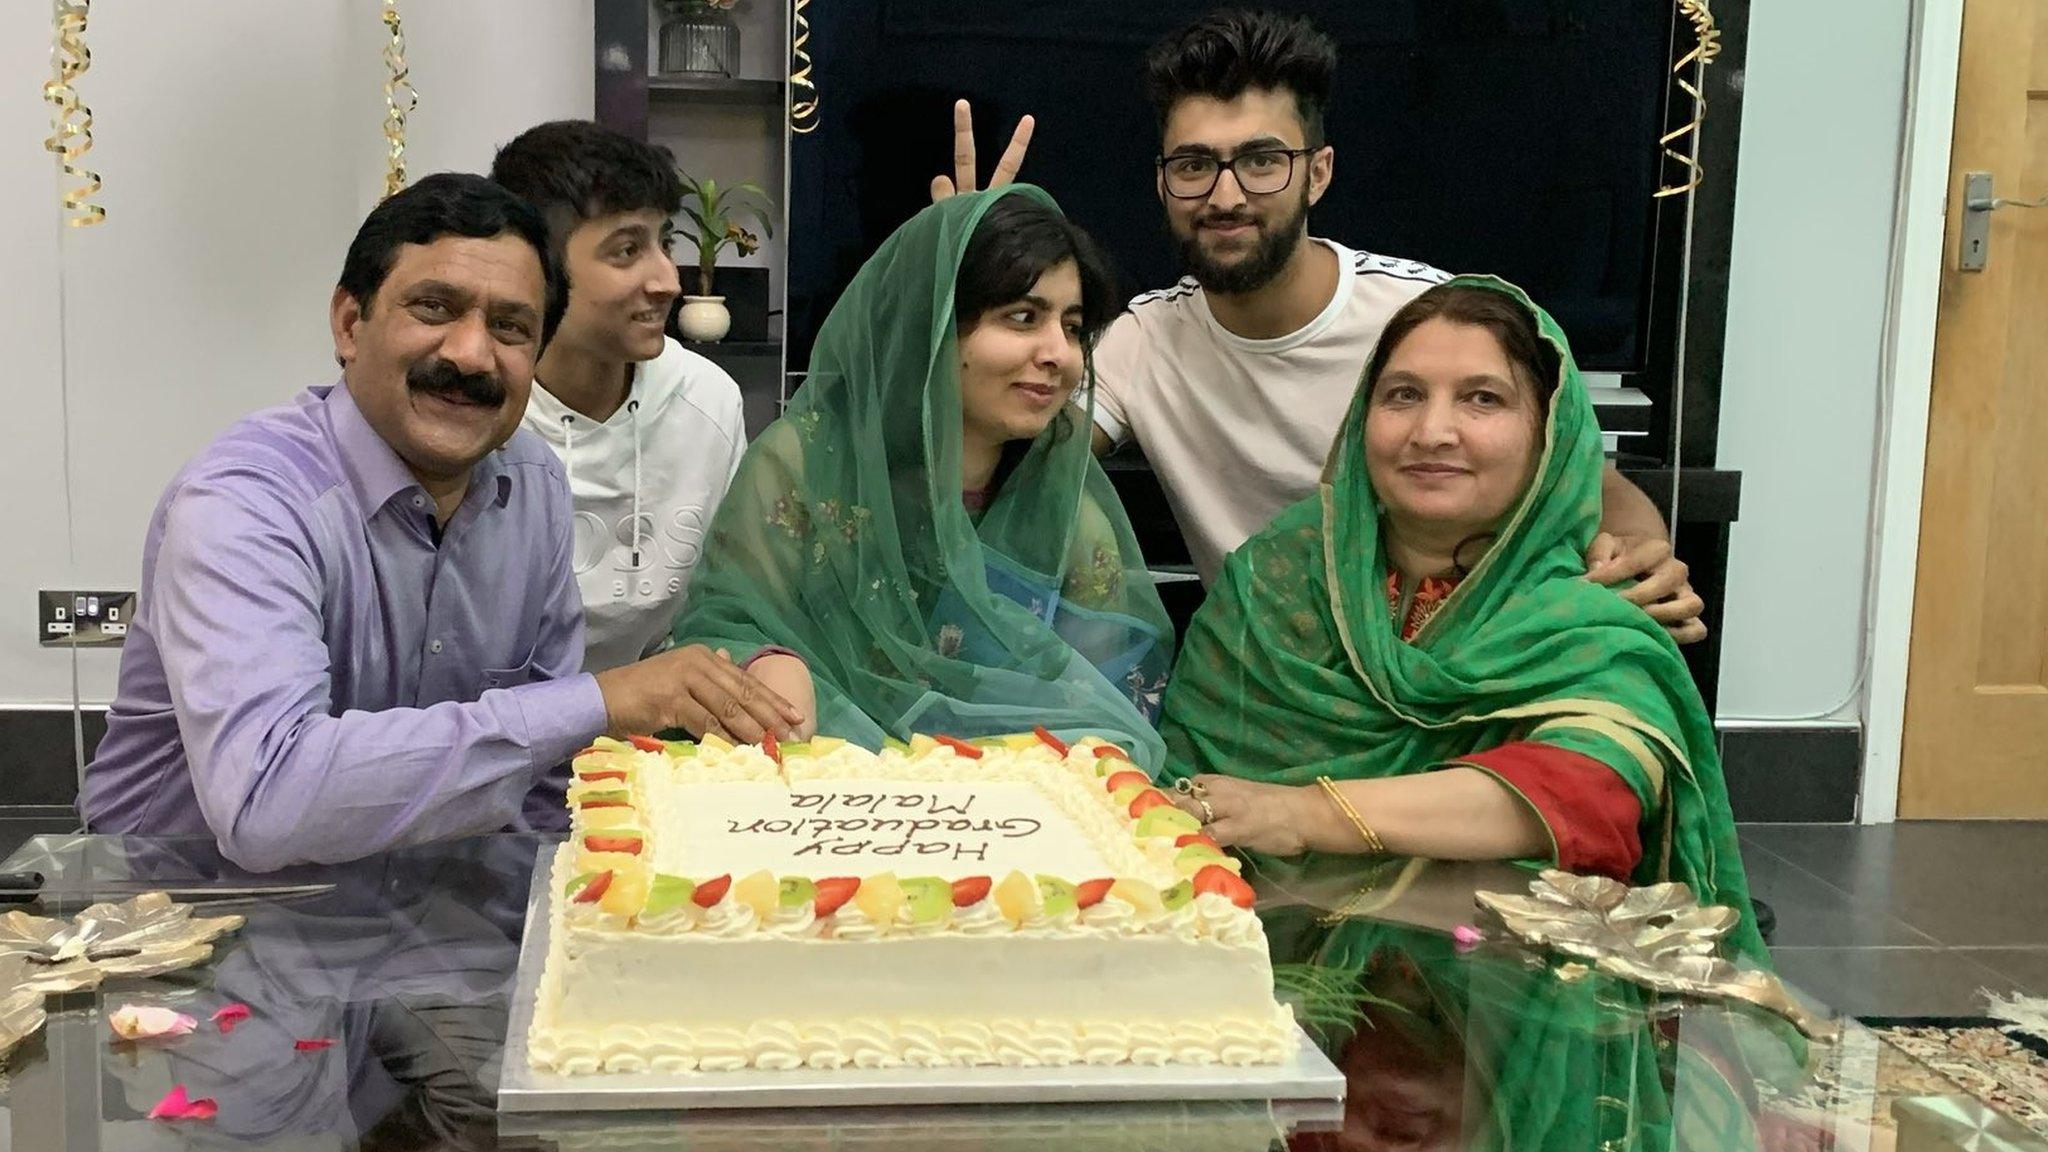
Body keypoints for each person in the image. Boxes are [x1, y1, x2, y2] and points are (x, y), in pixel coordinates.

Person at [83, 173, 803, 872]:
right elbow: (267, 801)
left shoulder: (532, 484)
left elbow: (544, 787)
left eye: (511, 327)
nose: (469, 354)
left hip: (417, 906)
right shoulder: (247, 501)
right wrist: (601, 697)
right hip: (185, 915)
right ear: (349, 323)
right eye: (434, 309)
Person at [932, 9, 1706, 641]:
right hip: (1259, 682)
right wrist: (974, 284)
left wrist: (1640, 552)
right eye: (1195, 165)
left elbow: (1593, 484)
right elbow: (1006, 457)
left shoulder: (1426, 316)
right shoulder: (1142, 342)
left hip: (1448, 653)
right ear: (1163, 185)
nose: (1226, 195)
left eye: (1262, 160)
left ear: (1319, 172)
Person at [1156, 278, 1763, 957]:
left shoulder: (1587, 614)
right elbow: (1184, 783)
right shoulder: (1281, 575)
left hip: (1488, 972)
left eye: (1483, 399)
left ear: (1548, 437)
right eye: (1403, 395)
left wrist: (1303, 814)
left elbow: (1593, 786)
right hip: (1235, 950)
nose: (1431, 431)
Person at [676, 186, 1175, 766]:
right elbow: (723, 622)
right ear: (931, 327)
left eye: (1072, 326)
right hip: (807, 808)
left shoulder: (1063, 508)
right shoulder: (807, 468)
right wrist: (765, 661)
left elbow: (1107, 704)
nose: (1058, 353)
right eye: (1022, 317)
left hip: (1019, 826)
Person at [490, 120, 749, 674]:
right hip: (496, 730)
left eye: (666, 242)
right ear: (539, 267)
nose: (667, 280)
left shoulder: (708, 402)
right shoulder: (481, 409)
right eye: (627, 250)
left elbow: (732, 604)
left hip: (654, 738)